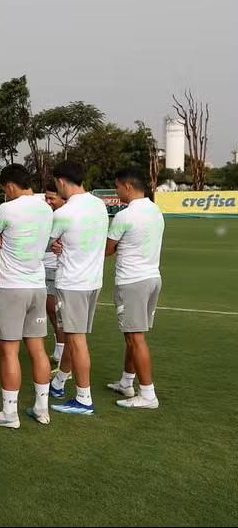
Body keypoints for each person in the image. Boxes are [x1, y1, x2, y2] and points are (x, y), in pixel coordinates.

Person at [0, 165, 54, 429]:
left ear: (9, 185)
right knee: (37, 348)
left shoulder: (6, 209)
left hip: (11, 287)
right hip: (37, 285)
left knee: (9, 351)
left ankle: (9, 413)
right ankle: (42, 408)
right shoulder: (46, 208)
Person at [48, 160, 109, 416]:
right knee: (76, 337)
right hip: (92, 281)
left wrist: (54, 245)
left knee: (76, 339)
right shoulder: (99, 205)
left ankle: (84, 398)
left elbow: (45, 242)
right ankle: (60, 382)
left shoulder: (63, 213)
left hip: (72, 283)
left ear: (61, 182)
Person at [104, 167, 164, 409]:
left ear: (127, 186)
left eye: (117, 186)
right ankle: (127, 382)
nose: (117, 191)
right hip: (152, 278)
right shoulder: (155, 210)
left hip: (132, 282)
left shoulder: (124, 216)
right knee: (133, 334)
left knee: (134, 337)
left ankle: (148, 394)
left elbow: (108, 249)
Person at [43, 182, 68, 370]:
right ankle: (59, 350)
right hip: (42, 268)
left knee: (55, 312)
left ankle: (62, 354)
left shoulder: (64, 216)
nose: (48, 201)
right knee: (51, 313)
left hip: (55, 269)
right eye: (46, 197)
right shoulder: (46, 214)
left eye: (52, 198)